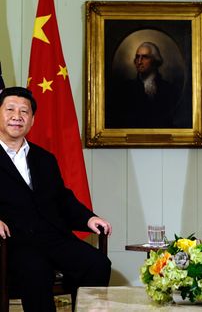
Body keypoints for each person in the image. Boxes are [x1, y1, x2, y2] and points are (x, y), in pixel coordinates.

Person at [0, 87, 112, 311]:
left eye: (25, 111)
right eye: (10, 109)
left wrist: (88, 219)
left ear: (32, 120)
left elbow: (62, 199)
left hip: (53, 237)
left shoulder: (44, 158)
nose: (17, 116)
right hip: (13, 242)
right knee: (36, 270)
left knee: (97, 264)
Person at [107, 41, 182, 128]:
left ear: (155, 61)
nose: (139, 62)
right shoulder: (125, 89)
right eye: (137, 57)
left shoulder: (169, 89)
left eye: (145, 57)